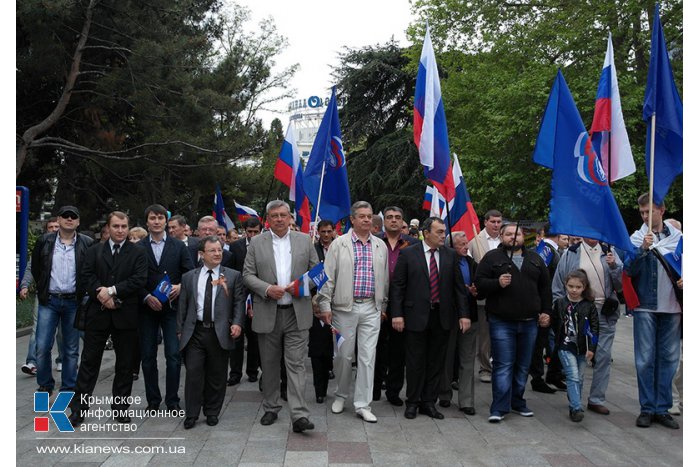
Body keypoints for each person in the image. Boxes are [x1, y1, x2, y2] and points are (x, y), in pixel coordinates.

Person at [243, 200, 319, 433]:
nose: (279, 219)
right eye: (274, 215)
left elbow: (317, 273)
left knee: (296, 364)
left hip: (297, 313)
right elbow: (247, 275)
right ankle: (271, 407)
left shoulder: (305, 240)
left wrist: (302, 286)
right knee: (270, 363)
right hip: (268, 312)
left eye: (283, 215)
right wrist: (266, 289)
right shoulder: (256, 243)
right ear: (267, 219)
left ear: (290, 218)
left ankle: (299, 415)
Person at [69, 211, 148, 426]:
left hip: (126, 316)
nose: (120, 230)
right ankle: (78, 409)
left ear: (128, 227)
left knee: (124, 365)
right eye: (116, 226)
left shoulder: (138, 253)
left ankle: (121, 408)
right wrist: (101, 295)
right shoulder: (94, 251)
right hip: (98, 315)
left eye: (124, 226)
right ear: (108, 228)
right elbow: (86, 276)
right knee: (88, 364)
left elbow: (139, 279)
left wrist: (111, 291)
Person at [391, 218, 469, 420]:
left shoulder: (450, 255)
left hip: (442, 317)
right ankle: (413, 401)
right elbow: (398, 286)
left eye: (444, 232)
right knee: (415, 361)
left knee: (436, 362)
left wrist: (464, 315)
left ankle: (429, 402)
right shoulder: (408, 254)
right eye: (440, 231)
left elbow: (459, 289)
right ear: (426, 233)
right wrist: (397, 314)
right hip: (415, 316)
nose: (444, 235)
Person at [318, 201, 389, 424]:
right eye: (362, 216)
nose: (367, 220)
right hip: (343, 308)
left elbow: (385, 279)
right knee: (343, 355)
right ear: (353, 219)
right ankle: (340, 394)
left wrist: (383, 307)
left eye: (369, 216)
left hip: (371, 307)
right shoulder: (339, 244)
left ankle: (363, 404)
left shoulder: (380, 245)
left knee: (368, 357)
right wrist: (325, 306)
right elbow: (328, 277)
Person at [475, 223, 551, 423]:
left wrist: (546, 312)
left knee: (523, 365)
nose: (513, 237)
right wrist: (496, 283)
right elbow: (479, 285)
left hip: (529, 322)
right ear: (501, 236)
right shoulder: (492, 258)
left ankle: (518, 401)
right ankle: (499, 407)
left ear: (522, 236)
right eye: (508, 234)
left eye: (516, 234)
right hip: (502, 321)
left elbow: (545, 289)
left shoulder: (535, 259)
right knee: (503, 365)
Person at [625, 193, 682, 430]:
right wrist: (642, 249)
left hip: (672, 307)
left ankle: (663, 408)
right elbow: (628, 269)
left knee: (668, 359)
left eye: (650, 211)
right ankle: (647, 408)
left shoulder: (679, 238)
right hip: (646, 305)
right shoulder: (637, 237)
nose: (646, 216)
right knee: (645, 359)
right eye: (642, 213)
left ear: (662, 210)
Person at [177, 236, 244, 429]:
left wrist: (237, 323)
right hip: (195, 332)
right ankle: (191, 413)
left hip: (219, 332)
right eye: (212, 250)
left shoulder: (232, 276)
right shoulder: (189, 277)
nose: (217, 254)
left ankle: (212, 411)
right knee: (194, 373)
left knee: (217, 374)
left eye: (219, 250)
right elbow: (183, 305)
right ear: (201, 254)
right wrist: (180, 330)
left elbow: (238, 302)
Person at [552, 237, 622, 415]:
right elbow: (559, 284)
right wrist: (560, 309)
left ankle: (596, 399)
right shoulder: (571, 253)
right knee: (577, 356)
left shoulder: (609, 251)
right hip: (576, 312)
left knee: (604, 357)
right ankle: (575, 400)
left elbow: (620, 285)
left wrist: (614, 266)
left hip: (604, 311)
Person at [31, 206, 94, 395]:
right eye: (65, 216)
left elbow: (91, 270)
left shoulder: (87, 243)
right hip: (49, 300)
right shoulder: (45, 241)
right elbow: (37, 268)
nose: (69, 219)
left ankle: (68, 385)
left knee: (71, 348)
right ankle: (45, 384)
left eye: (73, 216)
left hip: (73, 301)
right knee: (42, 346)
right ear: (58, 219)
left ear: (78, 221)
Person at [138, 204, 194, 414]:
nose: (157, 221)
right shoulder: (137, 247)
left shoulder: (179, 246)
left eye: (160, 218)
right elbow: (133, 278)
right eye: (152, 218)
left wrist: (180, 286)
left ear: (165, 221)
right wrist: (145, 296)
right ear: (147, 222)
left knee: (173, 355)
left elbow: (189, 273)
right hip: (146, 309)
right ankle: (153, 400)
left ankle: (172, 400)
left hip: (172, 309)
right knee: (148, 356)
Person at [375, 206, 418, 406]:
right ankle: (373, 389)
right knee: (374, 347)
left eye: (398, 218)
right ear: (384, 221)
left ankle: (393, 391)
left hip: (403, 304)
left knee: (398, 350)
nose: (393, 220)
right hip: (376, 302)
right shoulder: (374, 241)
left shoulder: (414, 244)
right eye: (390, 217)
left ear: (403, 222)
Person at [438, 231, 479, 415]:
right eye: (461, 244)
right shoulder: (444, 263)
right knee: (446, 357)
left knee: (468, 358)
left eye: (466, 244)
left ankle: (466, 400)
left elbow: (482, 284)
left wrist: (478, 290)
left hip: (470, 315)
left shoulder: (472, 264)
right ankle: (444, 394)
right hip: (449, 315)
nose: (465, 247)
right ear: (451, 247)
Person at [551, 270, 599, 422]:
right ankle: (576, 407)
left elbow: (595, 327)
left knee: (580, 376)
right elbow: (554, 322)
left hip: (582, 346)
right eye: (571, 286)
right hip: (565, 345)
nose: (574, 290)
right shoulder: (560, 303)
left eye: (578, 287)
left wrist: (592, 348)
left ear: (584, 287)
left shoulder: (589, 306)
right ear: (565, 285)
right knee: (572, 375)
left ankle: (574, 402)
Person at [20, 217, 62, 377]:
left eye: (56, 226)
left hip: (66, 295)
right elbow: (31, 268)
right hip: (44, 294)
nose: (53, 229)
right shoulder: (42, 246)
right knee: (37, 328)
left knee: (62, 331)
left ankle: (62, 360)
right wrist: (24, 286)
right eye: (50, 226)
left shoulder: (71, 245)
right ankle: (32, 362)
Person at [467, 209, 503, 383]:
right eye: (493, 222)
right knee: (485, 335)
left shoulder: (506, 240)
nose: (496, 225)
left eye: (499, 222)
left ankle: (500, 365)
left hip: (505, 296)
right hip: (484, 297)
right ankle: (485, 367)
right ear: (485, 222)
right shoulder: (475, 242)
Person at [529, 224, 565, 394]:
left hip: (549, 302)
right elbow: (538, 277)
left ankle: (553, 374)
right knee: (541, 342)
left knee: (554, 340)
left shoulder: (549, 249)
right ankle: (538, 378)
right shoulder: (547, 250)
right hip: (546, 303)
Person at [228, 217, 263, 386]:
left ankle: (252, 370)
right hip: (239, 296)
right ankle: (235, 373)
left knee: (254, 336)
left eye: (256, 231)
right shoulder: (235, 247)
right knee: (236, 337)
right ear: (245, 231)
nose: (253, 235)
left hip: (257, 296)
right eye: (250, 232)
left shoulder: (265, 246)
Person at [309, 220, 336, 403]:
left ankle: (330, 369)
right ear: (318, 232)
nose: (326, 235)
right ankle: (320, 389)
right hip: (316, 305)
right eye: (323, 232)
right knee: (318, 348)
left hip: (338, 304)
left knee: (334, 348)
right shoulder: (312, 250)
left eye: (329, 231)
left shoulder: (340, 249)